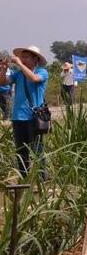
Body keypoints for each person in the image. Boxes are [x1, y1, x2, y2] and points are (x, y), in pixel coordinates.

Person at [0, 45, 49, 179]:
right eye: (22, 57)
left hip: (34, 117)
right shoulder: (18, 74)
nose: (23, 59)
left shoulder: (42, 72)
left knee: (38, 150)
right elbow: (3, 82)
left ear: (35, 59)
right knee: (21, 151)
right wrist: (3, 70)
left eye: (26, 57)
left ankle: (42, 179)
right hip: (18, 117)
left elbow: (33, 78)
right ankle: (24, 179)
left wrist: (20, 64)